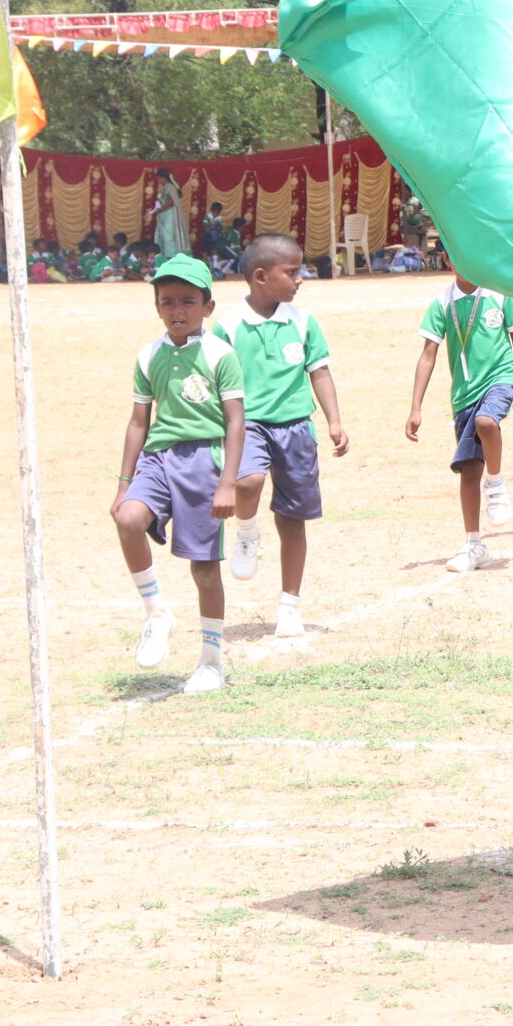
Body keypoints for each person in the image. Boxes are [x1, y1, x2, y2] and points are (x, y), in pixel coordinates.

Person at [112, 254, 245, 694]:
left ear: (208, 307)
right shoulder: (148, 356)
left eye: (188, 301)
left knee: (204, 571)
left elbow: (236, 422)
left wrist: (227, 482)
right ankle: (156, 612)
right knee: (128, 518)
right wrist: (123, 484)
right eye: (167, 301)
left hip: (204, 463)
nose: (177, 310)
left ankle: (210, 661)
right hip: (158, 458)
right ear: (157, 306)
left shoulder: (220, 355)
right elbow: (138, 423)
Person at [213, 233, 347, 638]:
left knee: (292, 520)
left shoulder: (303, 322)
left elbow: (319, 372)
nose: (300, 279)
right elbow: (218, 385)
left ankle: (290, 605)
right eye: (291, 272)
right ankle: (247, 532)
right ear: (260, 276)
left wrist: (334, 420)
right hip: (248, 424)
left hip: (295, 428)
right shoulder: (228, 326)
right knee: (248, 481)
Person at [406, 265, 513, 574]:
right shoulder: (442, 303)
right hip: (464, 394)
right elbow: (427, 355)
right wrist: (415, 407)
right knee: (468, 471)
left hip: (501, 379)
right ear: (448, 260)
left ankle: (496, 482)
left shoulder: (500, 294)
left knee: (486, 422)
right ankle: (474, 543)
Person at [150, 167, 188, 260]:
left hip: (169, 217)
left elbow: (170, 202)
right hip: (166, 216)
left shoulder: (169, 187)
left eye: (158, 179)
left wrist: (159, 210)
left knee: (169, 237)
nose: (158, 181)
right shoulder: (167, 187)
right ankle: (166, 256)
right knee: (166, 236)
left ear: (162, 177)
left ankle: (171, 257)